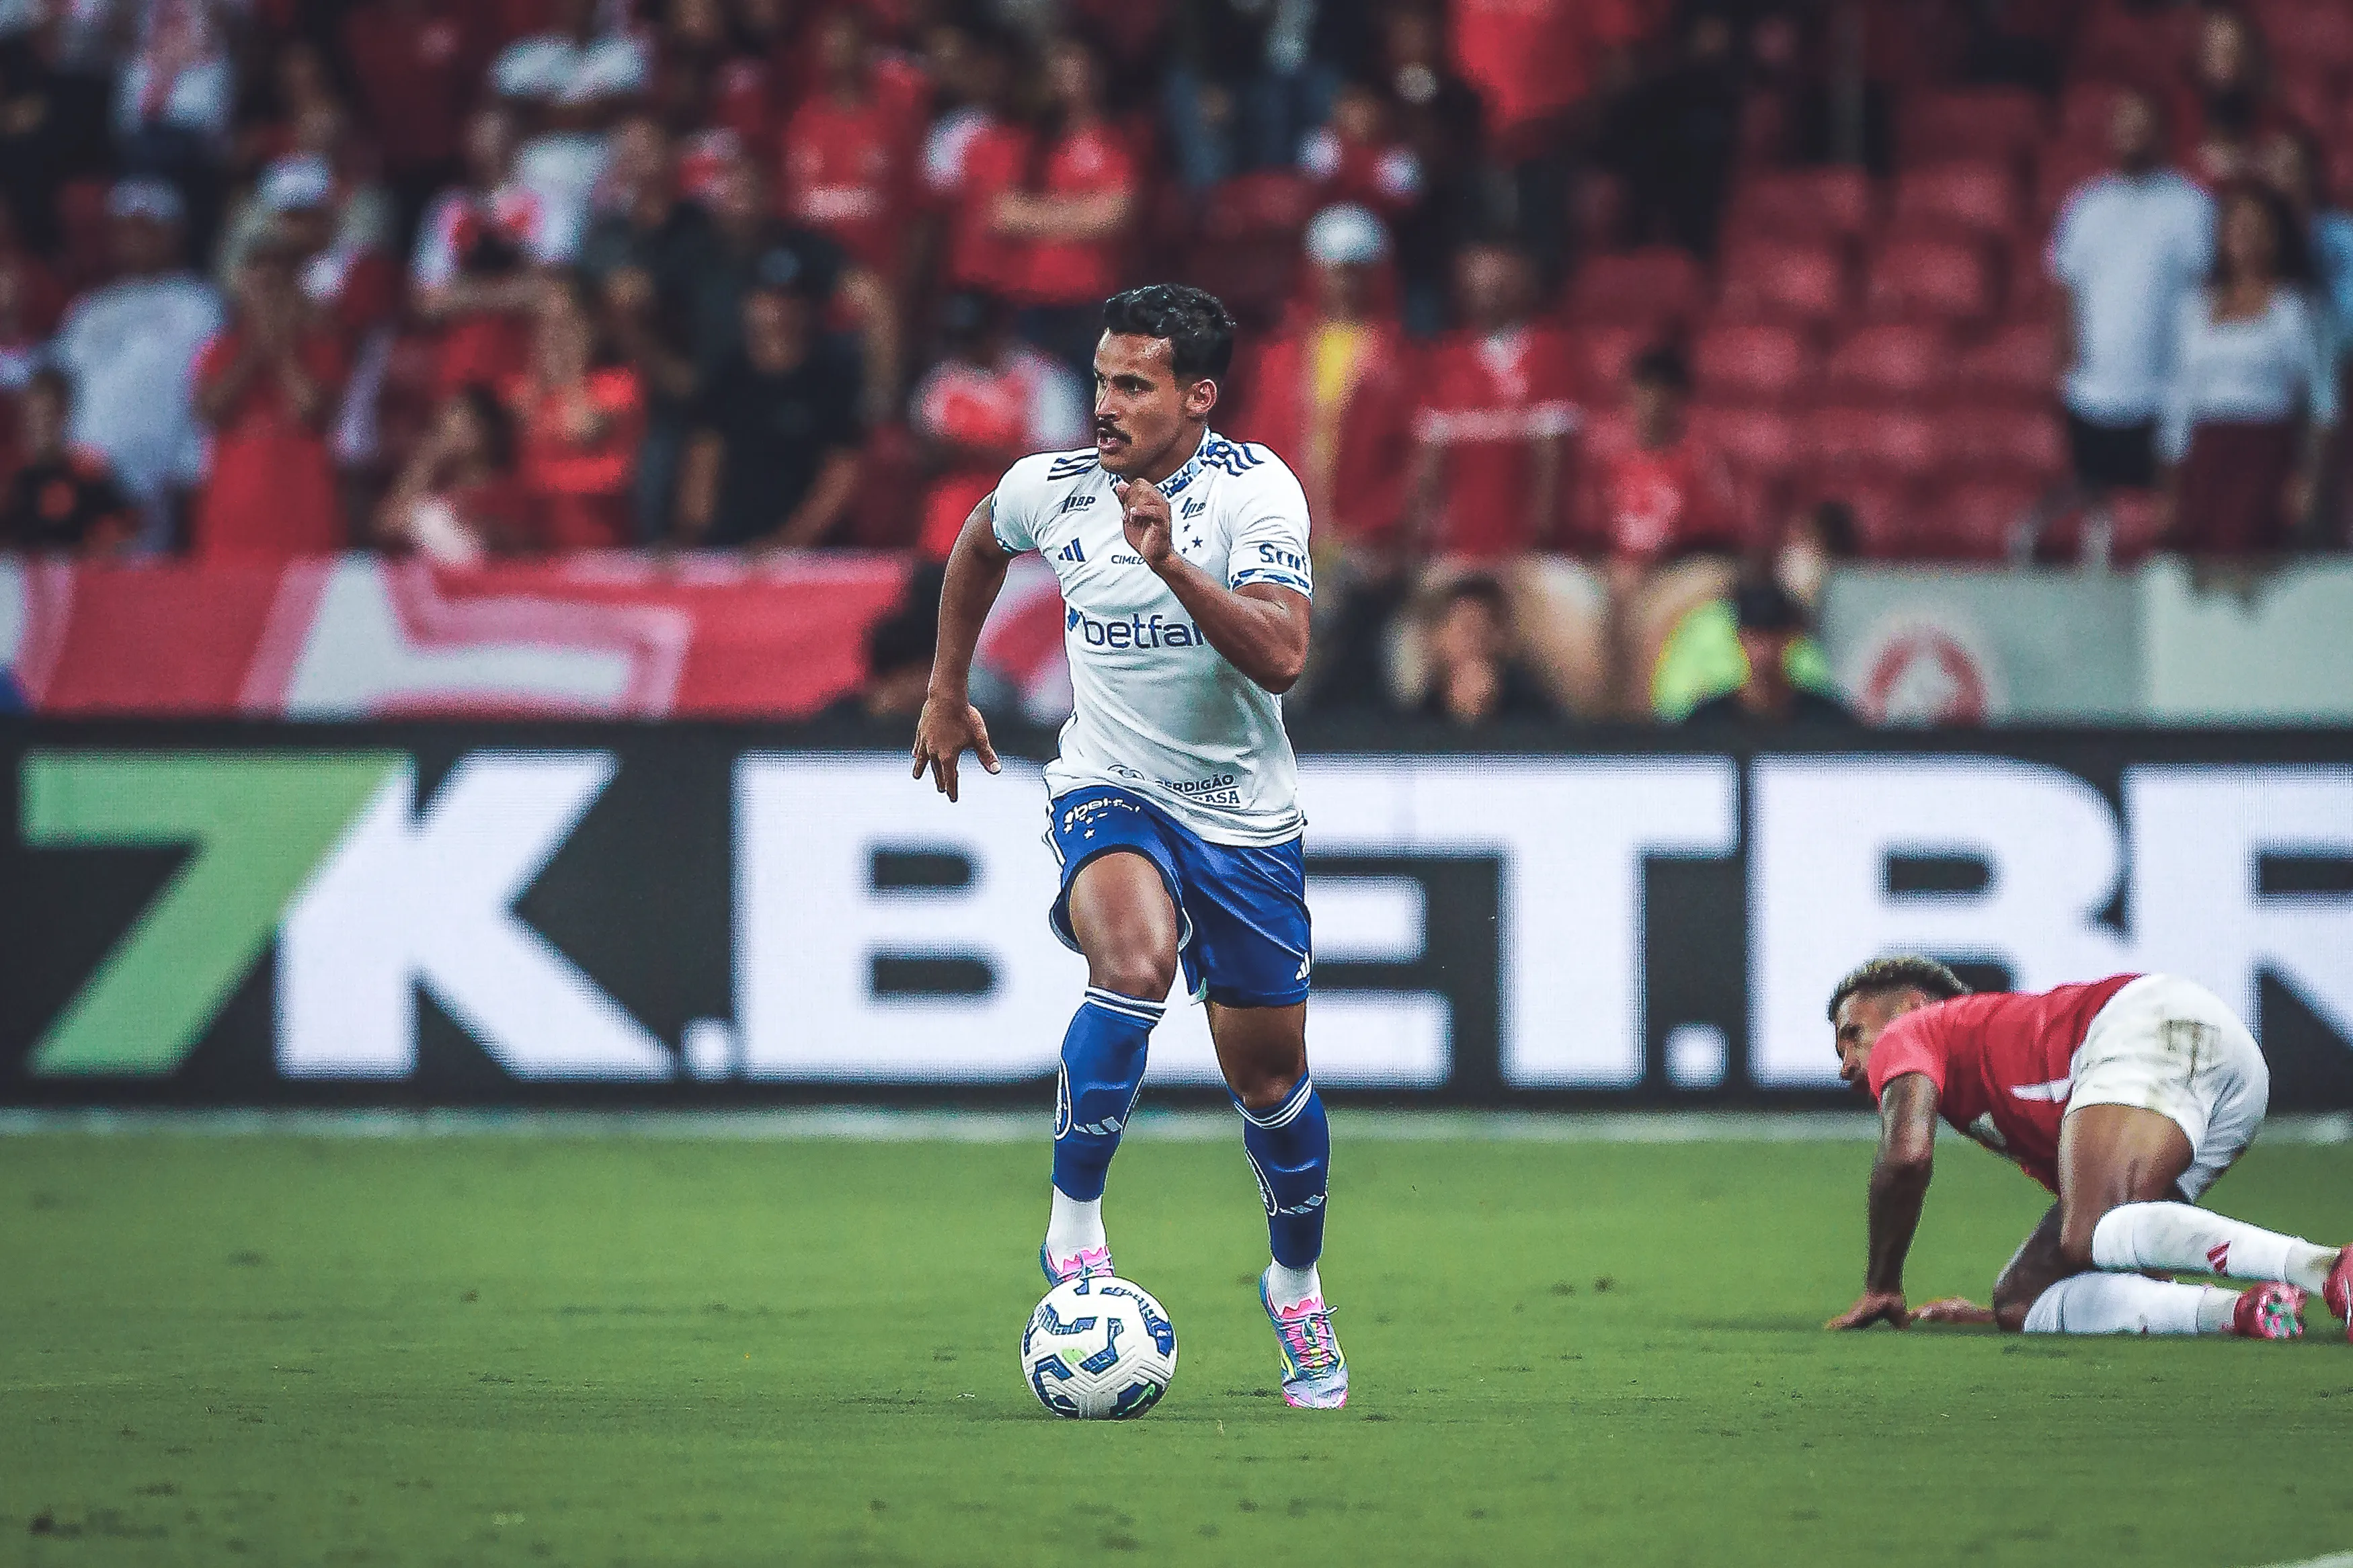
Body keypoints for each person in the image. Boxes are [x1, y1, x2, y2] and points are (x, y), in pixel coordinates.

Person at [910, 283, 1345, 1409]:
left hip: (1244, 818)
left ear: (1199, 396)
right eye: (1101, 380)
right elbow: (975, 543)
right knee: (1134, 962)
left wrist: (1172, 567)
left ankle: (1295, 1286)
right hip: (1111, 787)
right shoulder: (1049, 488)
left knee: (1271, 1077)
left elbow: (1284, 656)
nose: (1103, 405)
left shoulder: (1257, 494)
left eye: (1133, 386)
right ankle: (1075, 1225)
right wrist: (948, 690)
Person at [1824, 956, 2351, 1340]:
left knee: (2091, 1232)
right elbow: (2133, 1241)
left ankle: (2326, 1268)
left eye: (1855, 1034)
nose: (1846, 1062)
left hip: (2145, 1025)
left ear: (1912, 1006)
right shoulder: (1999, 1077)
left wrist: (1883, 1284)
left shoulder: (1912, 1030)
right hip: (2231, 1076)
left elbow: (1907, 1155)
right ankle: (2246, 1312)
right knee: (2022, 1299)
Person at [1226, 203, 1414, 708]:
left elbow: (1412, 465)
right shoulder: (1280, 356)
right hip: (1289, 538)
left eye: (1357, 272)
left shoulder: (1397, 356)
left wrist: (1380, 531)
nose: (1344, 284)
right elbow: (1255, 450)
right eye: (1335, 271)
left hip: (1363, 541)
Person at [2048, 88, 2215, 502]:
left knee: (2160, 514)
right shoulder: (2085, 205)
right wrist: (2068, 366)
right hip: (2092, 394)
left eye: (2143, 124)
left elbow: (2207, 293)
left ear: (2163, 132)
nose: (2133, 133)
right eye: (2125, 123)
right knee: (2097, 517)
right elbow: (2065, 287)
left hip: (2166, 396)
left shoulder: (2191, 205)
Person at [2161, 182, 2337, 553]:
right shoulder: (2194, 310)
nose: (2246, 238)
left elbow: (2324, 404)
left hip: (2265, 452)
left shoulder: (2295, 311)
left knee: (2252, 561)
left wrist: (2306, 479)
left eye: (2257, 227)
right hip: (2208, 453)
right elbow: (2179, 401)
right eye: (2236, 226)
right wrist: (2172, 483)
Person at [47, 178, 224, 544]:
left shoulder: (198, 303)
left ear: (175, 232)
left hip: (155, 485)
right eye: (125, 227)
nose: (134, 237)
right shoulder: (89, 308)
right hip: (82, 479)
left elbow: (205, 385)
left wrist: (191, 472)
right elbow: (55, 386)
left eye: (147, 227)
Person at [1408, 240, 1577, 563]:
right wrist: (1420, 537)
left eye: (1499, 280)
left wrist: (1537, 540)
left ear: (1523, 281)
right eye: (1479, 280)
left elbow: (1551, 460)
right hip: (1456, 548)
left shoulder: (1548, 352)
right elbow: (1428, 463)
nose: (1489, 290)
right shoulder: (1446, 359)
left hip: (1526, 551)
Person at [674, 263, 862, 551]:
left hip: (812, 557)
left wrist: (787, 543)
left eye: (789, 300)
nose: (778, 311)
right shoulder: (727, 378)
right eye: (768, 299)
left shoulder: (833, 380)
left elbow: (841, 476)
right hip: (730, 551)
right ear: (748, 305)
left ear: (808, 308)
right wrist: (690, 540)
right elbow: (704, 464)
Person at [190, 237, 350, 561]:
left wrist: (279, 345)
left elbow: (311, 409)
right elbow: (211, 410)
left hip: (304, 522)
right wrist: (255, 346)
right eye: (260, 285)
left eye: (277, 285)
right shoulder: (219, 349)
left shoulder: (323, 347)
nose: (268, 297)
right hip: (231, 523)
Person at [994, 36, 1138, 375]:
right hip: (1029, 297)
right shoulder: (1028, 141)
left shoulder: (1118, 140)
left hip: (1090, 297)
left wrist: (1039, 213)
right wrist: (1079, 211)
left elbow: (1114, 216)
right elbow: (1002, 213)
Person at [908, 289, 1086, 561]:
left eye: (974, 338)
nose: (966, 348)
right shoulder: (941, 380)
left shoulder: (1045, 379)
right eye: (958, 339)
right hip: (958, 507)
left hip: (1027, 506)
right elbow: (925, 454)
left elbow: (1060, 463)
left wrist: (974, 452)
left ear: (1000, 331)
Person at [503, 270, 643, 550]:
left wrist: (569, 376)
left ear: (589, 328)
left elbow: (584, 429)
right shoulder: (514, 392)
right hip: (524, 550)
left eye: (565, 324)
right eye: (543, 324)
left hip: (599, 548)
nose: (553, 336)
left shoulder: (618, 385)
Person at [373, 383, 533, 562]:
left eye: (460, 424)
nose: (450, 433)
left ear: (484, 431)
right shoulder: (439, 484)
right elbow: (385, 526)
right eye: (444, 424)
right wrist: (425, 463)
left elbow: (503, 546)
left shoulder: (503, 490)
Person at [1679, 577, 1853, 727]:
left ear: (1790, 639)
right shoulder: (1706, 723)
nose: (1764, 651)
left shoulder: (1827, 720)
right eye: (1756, 639)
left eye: (1773, 637)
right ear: (1740, 640)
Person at [0, 368, 135, 552]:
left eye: (46, 416)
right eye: (32, 417)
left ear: (63, 415)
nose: (39, 426)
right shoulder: (12, 481)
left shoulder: (86, 474)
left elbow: (125, 532)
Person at [1416, 573, 1552, 725]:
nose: (1475, 643)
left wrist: (1485, 711)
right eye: (1466, 631)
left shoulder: (1529, 701)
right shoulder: (1419, 710)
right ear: (1437, 639)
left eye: (1485, 630)